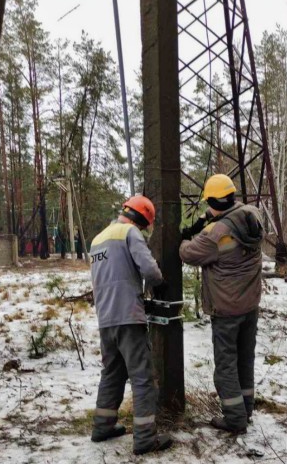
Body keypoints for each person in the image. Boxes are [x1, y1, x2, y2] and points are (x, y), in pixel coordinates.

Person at [179, 174, 264, 434]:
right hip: (250, 306)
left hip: (226, 310)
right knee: (244, 360)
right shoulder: (253, 217)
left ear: (215, 201)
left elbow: (187, 253)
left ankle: (235, 419)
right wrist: (209, 218)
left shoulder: (217, 234)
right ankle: (245, 409)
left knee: (226, 366)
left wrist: (183, 238)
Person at [89, 195, 173, 455]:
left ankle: (103, 426)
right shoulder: (130, 233)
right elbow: (150, 270)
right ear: (141, 219)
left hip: (106, 318)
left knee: (112, 373)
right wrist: (161, 282)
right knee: (142, 378)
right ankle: (146, 437)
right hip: (128, 316)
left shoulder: (98, 239)